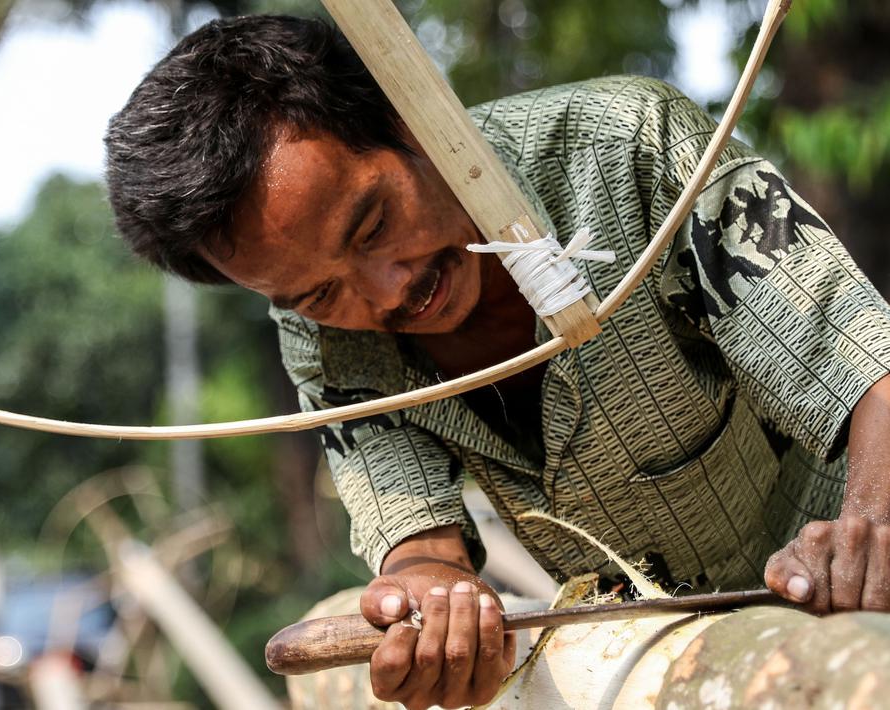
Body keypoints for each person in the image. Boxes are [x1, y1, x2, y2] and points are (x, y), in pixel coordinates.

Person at [104, 14, 890, 709]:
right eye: (315, 291)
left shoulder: (627, 146)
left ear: (412, 116)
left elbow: (866, 358)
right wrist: (432, 599)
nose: (386, 293)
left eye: (373, 224)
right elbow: (417, 538)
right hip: (643, 675)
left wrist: (869, 522)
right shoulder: (316, 336)